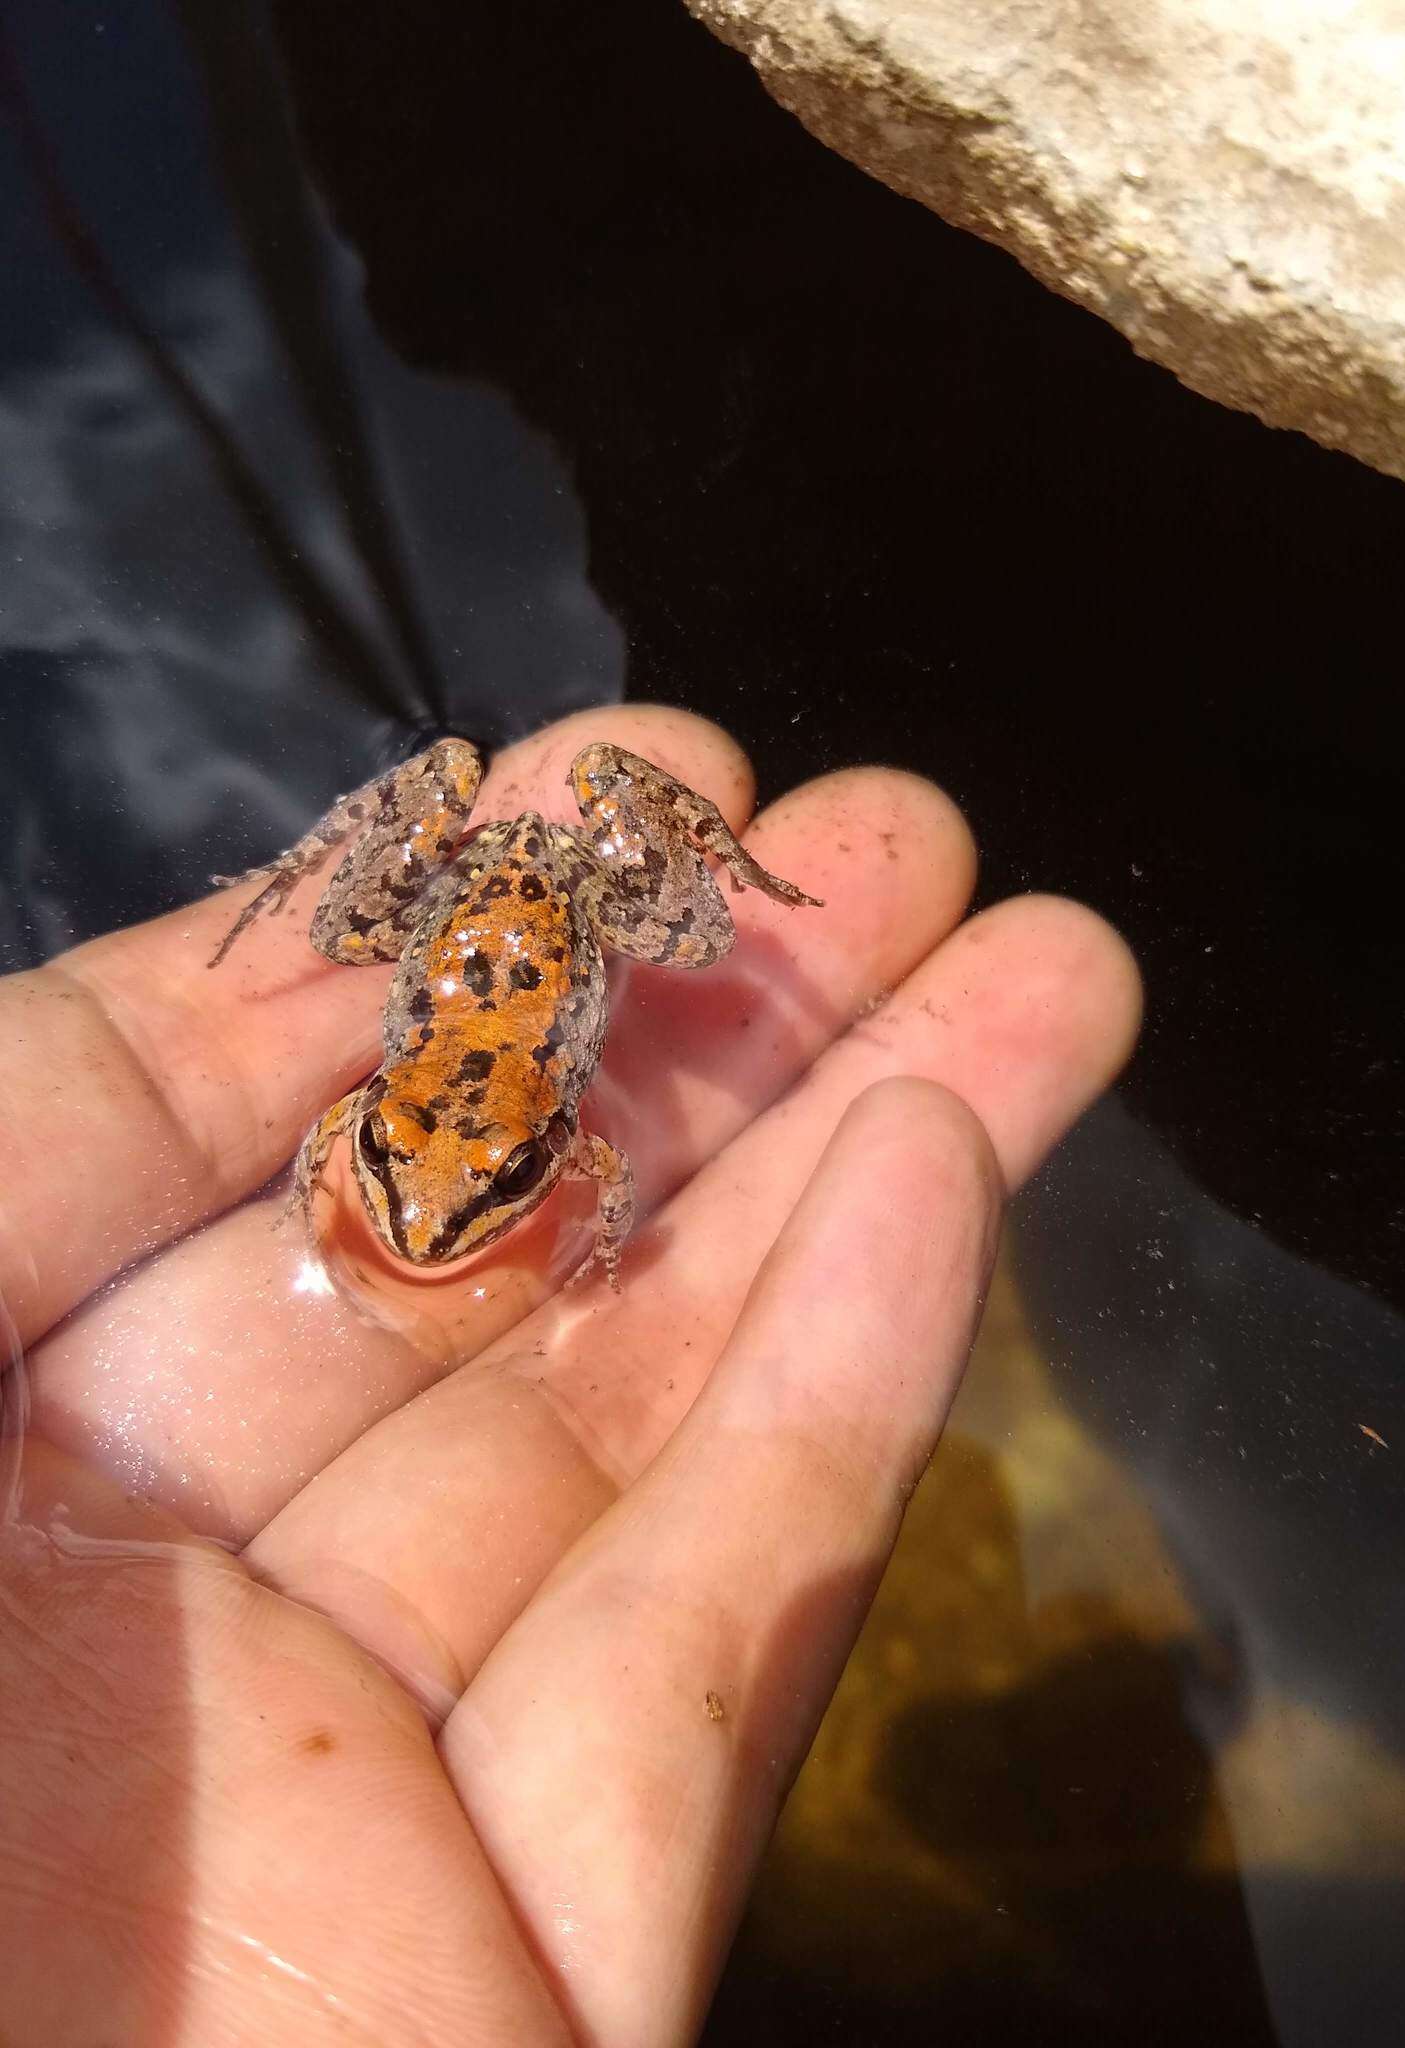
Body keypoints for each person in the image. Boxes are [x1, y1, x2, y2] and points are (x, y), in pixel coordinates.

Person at [0, 707, 1138, 2046]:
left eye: (475, 1193)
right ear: (373, 1128)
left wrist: (591, 1254)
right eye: (393, 1171)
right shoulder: (386, 1121)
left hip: (555, 919)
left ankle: (605, 808)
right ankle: (433, 825)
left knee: (704, 936)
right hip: (468, 950)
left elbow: (597, 1172)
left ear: (525, 1157)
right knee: (359, 929)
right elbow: (373, 1139)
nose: (431, 1229)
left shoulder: (557, 1141)